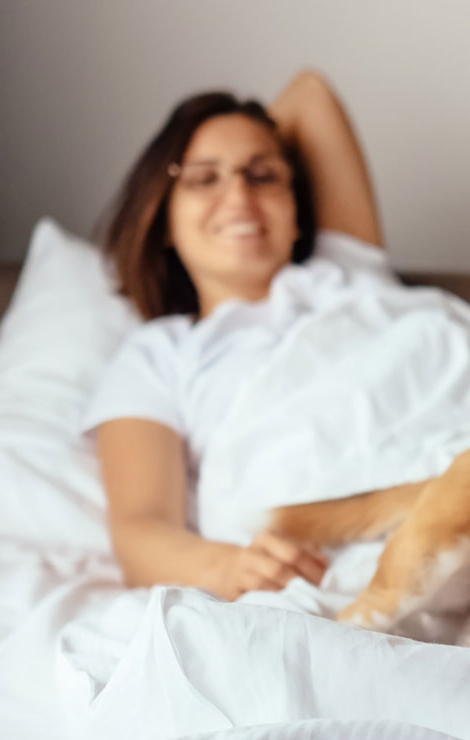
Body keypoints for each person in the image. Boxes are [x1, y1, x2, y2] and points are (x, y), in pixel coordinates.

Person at [85, 71, 383, 600]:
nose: (239, 193)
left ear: (296, 213)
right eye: (204, 180)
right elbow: (140, 530)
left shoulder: (349, 275)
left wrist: (236, 138)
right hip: (332, 556)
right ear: (165, 220)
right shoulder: (159, 355)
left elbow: (310, 93)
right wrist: (232, 568)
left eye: (262, 176)